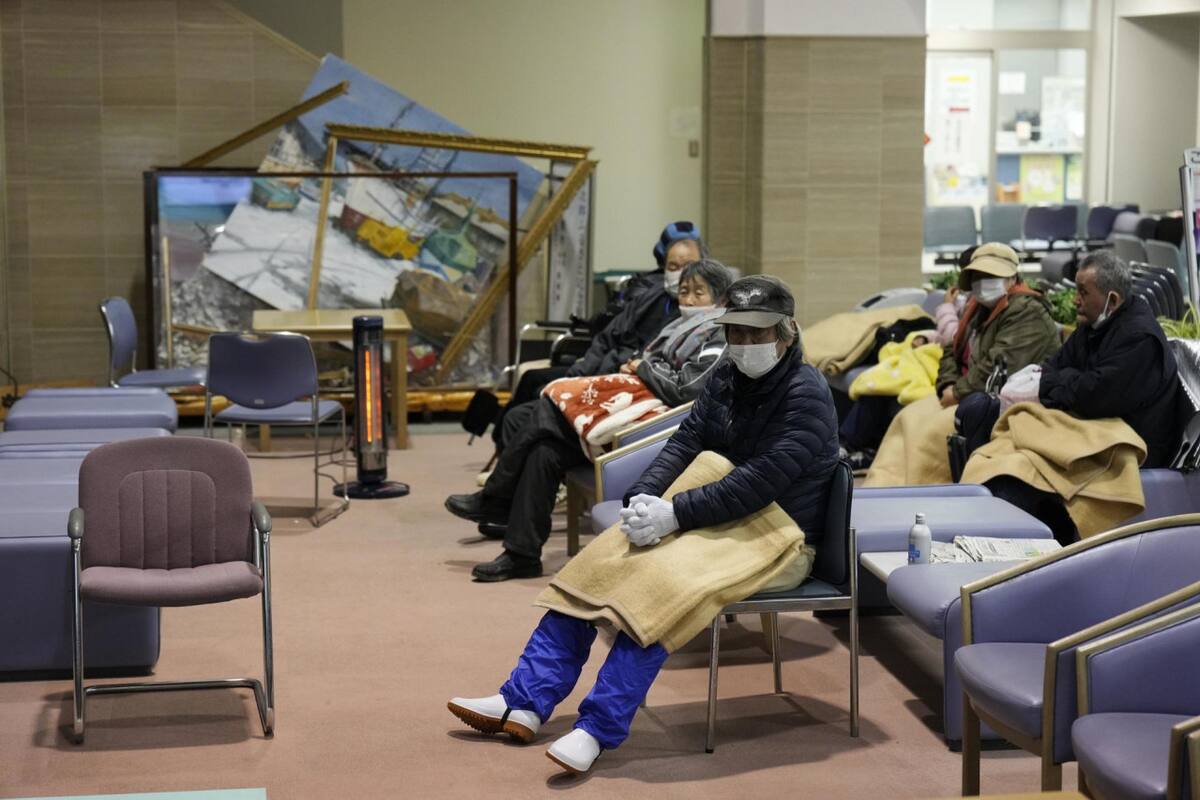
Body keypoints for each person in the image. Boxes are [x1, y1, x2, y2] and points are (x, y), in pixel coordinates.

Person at [446, 275, 840, 774]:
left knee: (662, 586)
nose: (742, 345)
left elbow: (761, 482)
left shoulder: (807, 393)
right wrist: (645, 496)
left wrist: (675, 513)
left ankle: (597, 727)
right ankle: (522, 699)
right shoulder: (726, 376)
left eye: (755, 334)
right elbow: (684, 441)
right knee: (601, 563)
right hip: (720, 518)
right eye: (734, 333)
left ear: (787, 332)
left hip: (780, 536)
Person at [446, 259, 735, 582]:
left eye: (699, 292)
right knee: (544, 450)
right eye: (684, 291)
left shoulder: (719, 333)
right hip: (629, 411)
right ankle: (522, 554)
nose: (690, 299)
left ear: (721, 299)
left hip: (655, 428)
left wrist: (641, 367)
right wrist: (637, 366)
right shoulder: (674, 327)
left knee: (544, 410)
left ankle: (495, 497)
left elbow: (686, 388)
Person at [972, 251, 1184, 544]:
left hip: (1124, 445)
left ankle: (1024, 559)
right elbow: (1054, 370)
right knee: (999, 453)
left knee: (1015, 480)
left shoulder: (1140, 339)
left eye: (1083, 292)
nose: (1075, 300)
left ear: (1112, 300)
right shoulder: (1093, 324)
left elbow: (1093, 396)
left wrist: (1066, 385)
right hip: (1089, 429)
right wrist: (1070, 384)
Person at [492, 222, 707, 449]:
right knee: (530, 390)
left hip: (622, 380)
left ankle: (509, 456)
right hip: (596, 368)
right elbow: (607, 336)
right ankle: (504, 454)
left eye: (688, 265)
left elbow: (649, 361)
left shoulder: (694, 315)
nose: (680, 273)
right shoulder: (650, 296)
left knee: (533, 408)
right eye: (673, 266)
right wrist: (578, 373)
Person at [935, 242, 1060, 409]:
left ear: (1013, 279)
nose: (982, 282)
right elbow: (951, 348)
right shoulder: (978, 307)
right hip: (970, 396)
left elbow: (997, 369)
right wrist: (947, 385)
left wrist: (956, 393)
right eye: (977, 276)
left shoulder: (1027, 312)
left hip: (1007, 404)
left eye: (991, 275)